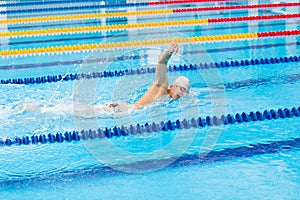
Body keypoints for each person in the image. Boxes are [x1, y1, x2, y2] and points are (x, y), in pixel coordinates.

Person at [104, 43, 190, 112]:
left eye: (185, 92)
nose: (182, 94)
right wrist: (170, 51)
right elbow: (162, 62)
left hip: (125, 110)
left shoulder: (168, 98)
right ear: (173, 86)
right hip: (122, 109)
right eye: (182, 89)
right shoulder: (162, 86)